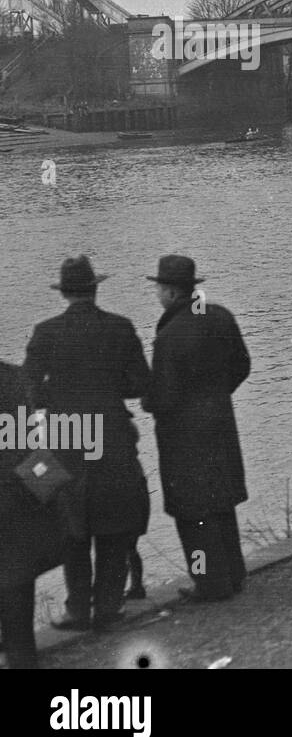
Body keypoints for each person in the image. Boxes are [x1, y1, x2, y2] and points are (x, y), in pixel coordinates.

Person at [24, 256, 151, 632]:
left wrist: (58, 396)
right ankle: (109, 606)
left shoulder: (45, 332)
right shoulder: (121, 328)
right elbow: (140, 383)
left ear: (64, 293)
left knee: (71, 524)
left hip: (66, 436)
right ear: (95, 289)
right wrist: (110, 390)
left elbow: (29, 390)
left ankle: (77, 609)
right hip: (112, 436)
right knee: (114, 519)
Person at [142, 255, 250, 603]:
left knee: (193, 515)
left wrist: (147, 401)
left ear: (172, 292)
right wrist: (218, 394)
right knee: (222, 504)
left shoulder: (168, 338)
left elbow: (164, 397)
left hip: (184, 437)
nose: (157, 294)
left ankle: (209, 582)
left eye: (158, 288)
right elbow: (242, 365)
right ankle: (234, 574)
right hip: (220, 423)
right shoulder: (220, 316)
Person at [0, 361, 70, 669]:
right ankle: (21, 655)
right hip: (13, 494)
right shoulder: (13, 377)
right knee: (16, 580)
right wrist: (53, 487)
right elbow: (27, 446)